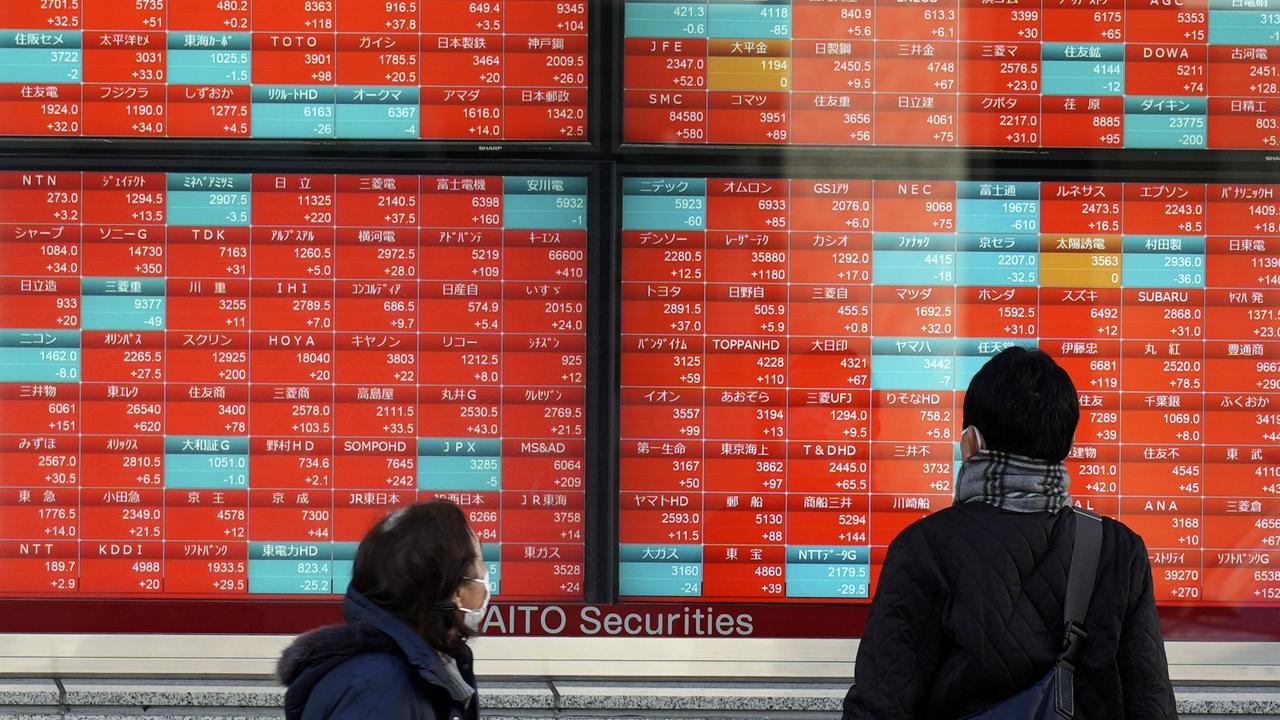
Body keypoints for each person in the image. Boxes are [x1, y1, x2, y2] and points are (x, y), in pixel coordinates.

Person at [842, 347, 1177, 719]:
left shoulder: (924, 547)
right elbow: (1150, 702)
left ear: (971, 442)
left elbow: (879, 706)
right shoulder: (1119, 549)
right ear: (1066, 447)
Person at [278, 499, 488, 720]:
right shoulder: (382, 687)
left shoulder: (405, 676)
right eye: (482, 565)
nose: (485, 578)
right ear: (455, 591)